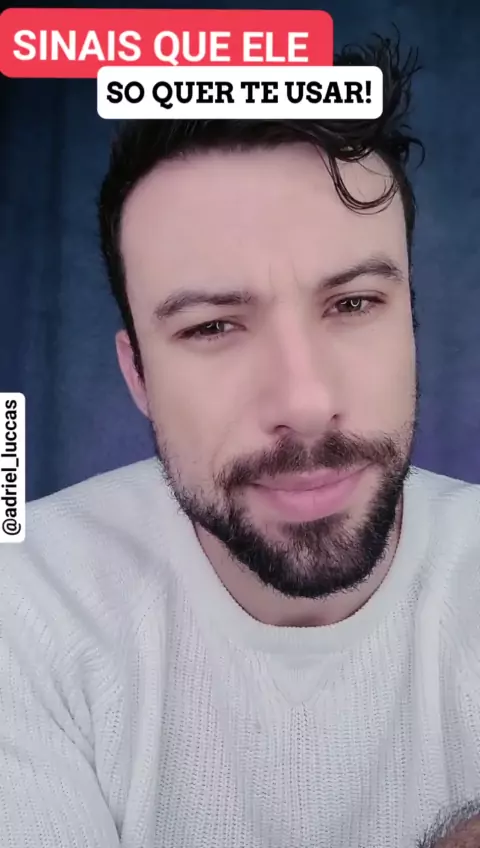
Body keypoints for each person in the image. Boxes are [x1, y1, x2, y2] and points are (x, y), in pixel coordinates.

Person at [0, 34, 479, 848]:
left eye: (354, 304)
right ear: (137, 374)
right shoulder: (23, 602)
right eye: (213, 326)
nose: (305, 403)